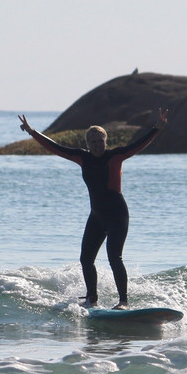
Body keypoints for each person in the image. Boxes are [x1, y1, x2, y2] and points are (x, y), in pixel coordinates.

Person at [18, 109, 168, 309]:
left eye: (100, 141)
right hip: (96, 216)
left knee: (115, 257)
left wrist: (156, 128)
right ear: (88, 144)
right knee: (86, 259)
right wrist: (32, 131)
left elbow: (138, 145)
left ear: (106, 141)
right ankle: (92, 299)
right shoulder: (82, 157)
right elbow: (55, 147)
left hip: (117, 214)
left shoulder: (116, 156)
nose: (97, 145)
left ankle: (123, 302)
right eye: (93, 142)